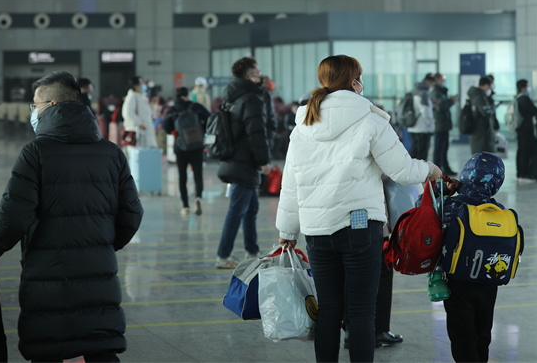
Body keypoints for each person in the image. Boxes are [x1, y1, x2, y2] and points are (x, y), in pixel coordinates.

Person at [0, 71, 144, 362]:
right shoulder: (111, 154)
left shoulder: (35, 153)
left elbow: (13, 219)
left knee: (49, 346)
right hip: (98, 272)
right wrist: (101, 245)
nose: (33, 111)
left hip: (47, 280)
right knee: (99, 346)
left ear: (52, 105)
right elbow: (133, 213)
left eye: (36, 104)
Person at [276, 54, 441, 363]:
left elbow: (291, 184)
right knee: (362, 313)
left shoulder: (304, 125)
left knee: (328, 311)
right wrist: (430, 169)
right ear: (354, 82)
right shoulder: (370, 118)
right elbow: (402, 171)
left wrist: (287, 231)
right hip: (360, 228)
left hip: (316, 230)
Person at [443, 152, 522, 363]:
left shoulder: (453, 207)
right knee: (483, 333)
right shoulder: (501, 212)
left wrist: (445, 191)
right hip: (489, 283)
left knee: (462, 336)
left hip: (457, 284)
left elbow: (422, 212)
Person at [215, 57, 272, 269]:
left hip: (235, 158)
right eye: (258, 71)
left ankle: (252, 250)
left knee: (250, 208)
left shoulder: (232, 95)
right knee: (237, 209)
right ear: (251, 76)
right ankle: (223, 255)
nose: (261, 74)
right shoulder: (251, 98)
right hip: (245, 161)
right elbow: (256, 133)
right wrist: (263, 161)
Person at [163, 86, 210, 215]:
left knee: (182, 176)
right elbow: (209, 118)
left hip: (180, 146)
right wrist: (202, 130)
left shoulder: (172, 110)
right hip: (196, 146)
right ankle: (198, 197)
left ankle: (185, 206)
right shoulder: (196, 107)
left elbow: (166, 128)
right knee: (198, 175)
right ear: (187, 95)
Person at [430, 73, 457, 175]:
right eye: (443, 79)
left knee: (444, 148)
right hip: (439, 124)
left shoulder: (441, 92)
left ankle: (445, 168)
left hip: (444, 124)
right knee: (439, 148)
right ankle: (436, 170)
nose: (445, 81)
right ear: (437, 80)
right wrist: (451, 101)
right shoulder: (435, 93)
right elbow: (440, 107)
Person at [121, 75, 157, 148]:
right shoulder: (132, 97)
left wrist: (152, 105)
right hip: (138, 131)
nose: (144, 85)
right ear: (136, 86)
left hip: (146, 131)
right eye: (142, 83)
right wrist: (139, 123)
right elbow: (127, 113)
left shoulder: (142, 97)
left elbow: (147, 113)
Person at [514, 79, 537, 183]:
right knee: (525, 151)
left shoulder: (517, 98)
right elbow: (534, 110)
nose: (529, 88)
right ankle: (523, 175)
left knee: (520, 151)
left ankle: (519, 174)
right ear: (523, 87)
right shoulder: (524, 99)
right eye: (528, 86)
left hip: (520, 128)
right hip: (526, 129)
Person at [407, 73, 435, 160]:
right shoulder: (423, 93)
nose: (432, 86)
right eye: (432, 84)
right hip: (422, 128)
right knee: (422, 154)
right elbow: (425, 111)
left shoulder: (414, 91)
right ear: (428, 82)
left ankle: (412, 172)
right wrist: (430, 125)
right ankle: (421, 173)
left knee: (414, 152)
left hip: (412, 126)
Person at [467, 76, 496, 154]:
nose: (490, 89)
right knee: (482, 158)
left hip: (479, 134)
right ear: (486, 85)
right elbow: (487, 113)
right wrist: (492, 107)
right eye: (490, 87)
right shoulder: (480, 97)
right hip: (481, 135)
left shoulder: (476, 95)